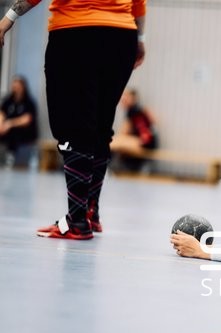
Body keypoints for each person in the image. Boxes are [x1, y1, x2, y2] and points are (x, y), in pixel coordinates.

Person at [0, 0, 146, 239]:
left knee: (72, 126)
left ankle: (77, 221)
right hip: (122, 37)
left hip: (75, 32)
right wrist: (140, 39)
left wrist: (8, 18)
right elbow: (139, 2)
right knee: (100, 125)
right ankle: (90, 213)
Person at [109, 87, 157, 171]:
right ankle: (111, 166)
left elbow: (124, 132)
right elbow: (154, 121)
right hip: (150, 141)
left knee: (113, 142)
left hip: (145, 142)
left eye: (126, 97)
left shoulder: (132, 111)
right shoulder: (140, 108)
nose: (123, 99)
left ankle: (107, 167)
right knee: (115, 141)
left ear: (133, 98)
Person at [0, 75, 38, 166]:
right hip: (6, 128)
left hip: (24, 131)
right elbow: (2, 113)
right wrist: (1, 124)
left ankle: (11, 156)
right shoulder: (8, 100)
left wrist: (10, 124)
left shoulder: (29, 102)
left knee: (14, 131)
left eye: (18, 86)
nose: (15, 88)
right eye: (14, 86)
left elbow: (27, 119)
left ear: (23, 87)